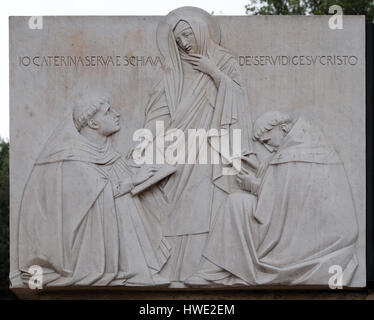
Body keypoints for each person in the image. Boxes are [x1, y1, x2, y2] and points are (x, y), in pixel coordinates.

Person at [134, 7, 256, 285]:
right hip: (178, 149)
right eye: (179, 41)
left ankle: (209, 270)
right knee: (179, 210)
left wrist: (215, 74)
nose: (185, 43)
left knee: (206, 208)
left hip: (213, 148)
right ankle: (176, 271)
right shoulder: (173, 70)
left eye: (188, 35)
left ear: (201, 31)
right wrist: (150, 139)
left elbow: (239, 103)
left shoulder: (225, 63)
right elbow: (158, 111)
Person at [188, 111, 358, 286]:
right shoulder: (311, 144)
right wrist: (257, 168)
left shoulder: (291, 154)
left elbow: (279, 200)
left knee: (236, 203)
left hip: (302, 234)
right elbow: (288, 190)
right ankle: (215, 270)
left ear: (283, 128)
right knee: (240, 203)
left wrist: (252, 185)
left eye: (267, 141)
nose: (268, 148)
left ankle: (215, 272)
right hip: (315, 227)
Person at [15, 96, 170, 287]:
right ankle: (135, 272)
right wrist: (133, 181)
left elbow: (112, 179)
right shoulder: (71, 156)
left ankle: (139, 270)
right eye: (108, 111)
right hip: (70, 241)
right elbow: (96, 194)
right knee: (122, 201)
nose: (117, 114)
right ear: (93, 122)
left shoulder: (103, 151)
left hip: (94, 228)